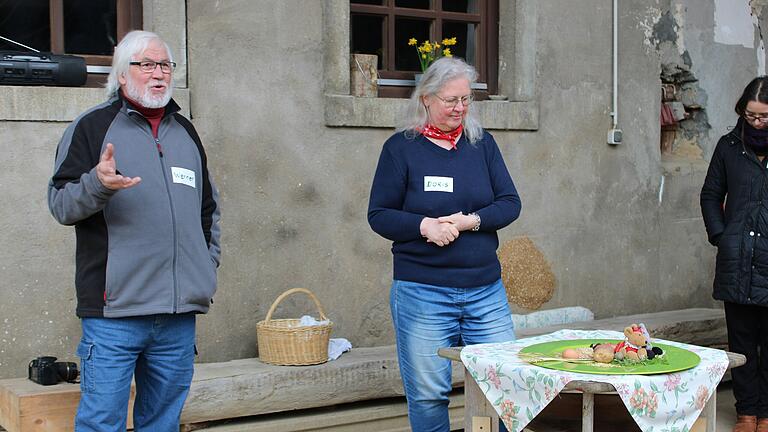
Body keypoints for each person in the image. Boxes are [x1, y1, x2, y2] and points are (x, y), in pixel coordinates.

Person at [48, 30, 221, 431]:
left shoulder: (186, 133)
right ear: (123, 75)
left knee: (162, 423)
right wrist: (98, 185)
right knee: (101, 423)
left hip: (178, 315)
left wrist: (204, 268)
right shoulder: (92, 128)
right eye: (146, 65)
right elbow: (60, 204)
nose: (158, 74)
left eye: (164, 65)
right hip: (115, 313)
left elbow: (208, 211)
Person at [367, 56, 521, 432]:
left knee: (505, 386)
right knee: (428, 393)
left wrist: (473, 221)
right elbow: (379, 214)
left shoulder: (481, 145)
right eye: (451, 100)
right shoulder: (400, 149)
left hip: (485, 290)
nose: (460, 109)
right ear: (426, 99)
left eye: (466, 100)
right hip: (423, 292)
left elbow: (510, 203)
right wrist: (424, 226)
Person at [701, 76, 768, 432]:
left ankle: (767, 414)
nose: (756, 122)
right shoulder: (729, 146)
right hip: (737, 260)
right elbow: (711, 194)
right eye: (751, 115)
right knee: (741, 343)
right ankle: (746, 413)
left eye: (764, 116)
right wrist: (721, 236)